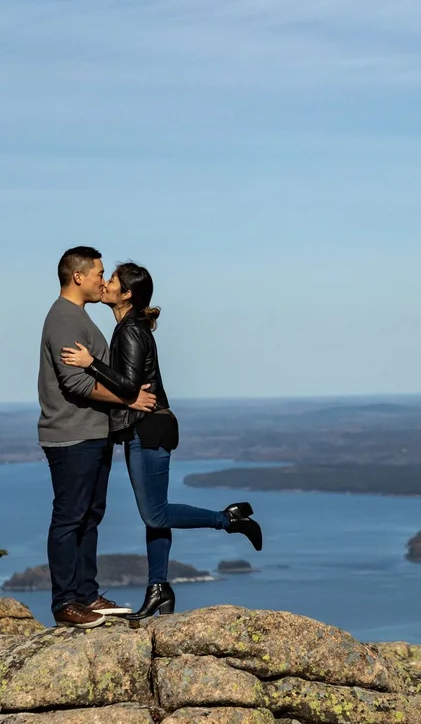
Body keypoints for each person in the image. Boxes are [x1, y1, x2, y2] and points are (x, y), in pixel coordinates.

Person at [61, 261, 262, 620]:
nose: (105, 284)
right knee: (156, 516)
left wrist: (90, 362)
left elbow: (127, 385)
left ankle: (228, 519)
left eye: (112, 281)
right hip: (142, 428)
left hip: (148, 428)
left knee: (154, 512)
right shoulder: (128, 327)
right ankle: (159, 588)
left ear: (127, 294)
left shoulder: (132, 331)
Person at [38, 245, 141, 628]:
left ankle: (85, 594)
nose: (103, 279)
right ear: (78, 276)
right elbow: (77, 382)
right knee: (69, 518)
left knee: (89, 516)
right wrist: (132, 398)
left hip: (91, 433)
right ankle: (66, 601)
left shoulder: (77, 316)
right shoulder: (65, 318)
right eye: (98, 273)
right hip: (71, 435)